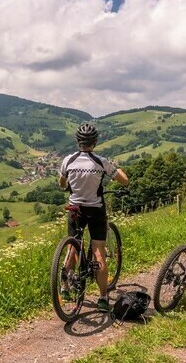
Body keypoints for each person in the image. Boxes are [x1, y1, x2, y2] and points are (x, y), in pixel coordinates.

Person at [58, 122, 128, 312]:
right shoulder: (101, 162)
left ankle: (65, 286)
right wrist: (116, 168)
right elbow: (124, 180)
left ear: (77, 141)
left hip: (74, 209)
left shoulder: (68, 161)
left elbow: (62, 184)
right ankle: (103, 297)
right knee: (98, 252)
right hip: (95, 210)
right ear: (95, 142)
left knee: (73, 247)